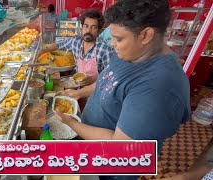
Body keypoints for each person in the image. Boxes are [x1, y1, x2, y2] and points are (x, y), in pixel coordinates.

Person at [54, 0, 191, 179]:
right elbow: (107, 80)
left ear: (146, 35)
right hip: (91, 148)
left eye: (118, 38)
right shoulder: (130, 52)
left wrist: (72, 123)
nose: (112, 44)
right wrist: (78, 93)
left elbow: (119, 146)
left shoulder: (159, 88)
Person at [39, 9, 113, 86]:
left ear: (99, 31)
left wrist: (92, 80)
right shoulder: (76, 42)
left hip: (95, 93)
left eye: (93, 27)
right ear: (82, 27)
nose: (88, 30)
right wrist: (41, 52)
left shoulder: (105, 50)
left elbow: (110, 77)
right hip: (78, 87)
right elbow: (57, 45)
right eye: (86, 26)